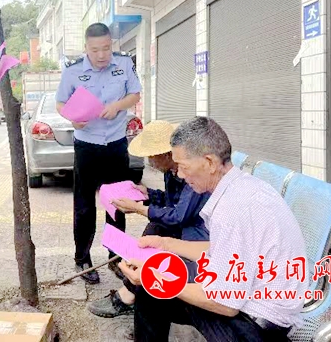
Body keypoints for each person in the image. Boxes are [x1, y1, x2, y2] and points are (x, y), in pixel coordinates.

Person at [120, 117, 308, 342]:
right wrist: (165, 243)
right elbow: (220, 249)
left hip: (253, 327)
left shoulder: (232, 209)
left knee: (152, 286)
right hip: (249, 302)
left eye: (183, 167)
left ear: (209, 162)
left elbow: (225, 303)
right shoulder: (241, 187)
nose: (180, 175)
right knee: (152, 286)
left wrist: (154, 279)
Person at [87, 120, 210, 318]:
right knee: (155, 228)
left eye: (152, 156)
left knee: (156, 230)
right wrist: (148, 194)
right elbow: (173, 201)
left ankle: (129, 295)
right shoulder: (171, 171)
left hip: (198, 236)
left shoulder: (190, 173)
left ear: (167, 155)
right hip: (185, 226)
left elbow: (178, 216)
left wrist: (139, 208)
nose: (150, 162)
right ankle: (130, 289)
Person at [55, 22, 142, 284]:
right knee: (84, 206)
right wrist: (72, 119)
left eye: (106, 48)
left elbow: (135, 94)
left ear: (111, 44)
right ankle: (83, 258)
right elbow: (61, 102)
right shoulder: (72, 71)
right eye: (95, 50)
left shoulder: (123, 64)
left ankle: (115, 258)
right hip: (87, 146)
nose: (102, 55)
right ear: (86, 48)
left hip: (116, 144)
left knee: (117, 203)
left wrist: (118, 106)